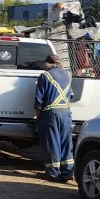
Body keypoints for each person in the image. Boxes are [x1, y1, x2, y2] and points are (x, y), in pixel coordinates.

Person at [35, 54, 74, 182]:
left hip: (51, 113)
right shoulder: (68, 75)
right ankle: (67, 172)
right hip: (66, 113)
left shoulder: (45, 76)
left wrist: (38, 115)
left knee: (52, 143)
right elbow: (71, 95)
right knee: (65, 143)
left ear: (48, 63)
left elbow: (39, 99)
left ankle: (53, 174)